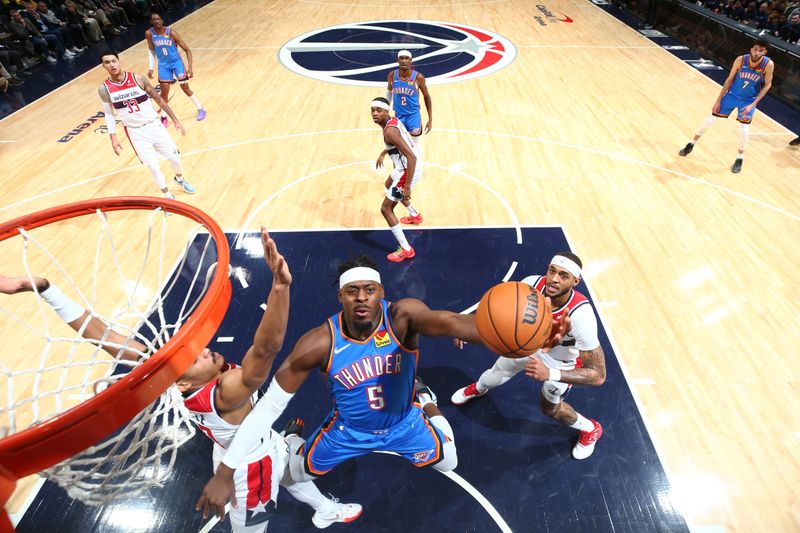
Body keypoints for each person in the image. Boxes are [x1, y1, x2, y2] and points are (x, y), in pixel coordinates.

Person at [0, 228, 361, 532]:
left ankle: (324, 510)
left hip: (261, 443)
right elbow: (265, 351)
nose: (201, 350)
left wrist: (47, 289)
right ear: (185, 383)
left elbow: (108, 337)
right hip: (247, 468)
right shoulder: (225, 391)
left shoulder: (188, 381)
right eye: (192, 359)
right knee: (254, 521)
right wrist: (280, 288)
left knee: (291, 472)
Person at [195, 255, 571, 518]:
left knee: (450, 461)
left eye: (370, 289)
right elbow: (269, 407)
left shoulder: (403, 316)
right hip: (348, 430)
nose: (362, 298)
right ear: (339, 296)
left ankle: (426, 401)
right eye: (352, 291)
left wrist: (532, 339)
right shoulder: (318, 344)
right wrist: (225, 473)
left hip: (404, 423)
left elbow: (461, 325)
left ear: (381, 291)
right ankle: (299, 450)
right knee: (293, 474)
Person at [450, 252, 607, 460]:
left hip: (560, 362)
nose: (554, 279)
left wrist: (549, 372)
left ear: (575, 281)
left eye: (563, 275)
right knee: (495, 374)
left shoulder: (581, 315)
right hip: (528, 345)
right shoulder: (531, 285)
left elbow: (598, 375)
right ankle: (479, 388)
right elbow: (499, 309)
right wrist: (470, 326)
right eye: (552, 271)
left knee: (550, 409)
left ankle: (591, 429)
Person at [97, 50, 197, 199]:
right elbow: (109, 114)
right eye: (107, 62)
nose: (111, 65)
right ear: (103, 66)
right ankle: (168, 196)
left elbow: (158, 98)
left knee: (174, 158)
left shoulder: (138, 78)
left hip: (154, 125)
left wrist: (175, 120)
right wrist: (113, 137)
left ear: (118, 61)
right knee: (153, 166)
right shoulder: (104, 89)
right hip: (135, 132)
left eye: (113, 61)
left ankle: (179, 179)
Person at [678, 38, 774, 173]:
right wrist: (718, 100)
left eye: (761, 50)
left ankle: (740, 158)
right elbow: (729, 80)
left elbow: (768, 84)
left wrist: (753, 104)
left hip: (748, 100)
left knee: (744, 128)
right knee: (710, 119)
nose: (757, 52)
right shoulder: (741, 60)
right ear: (751, 49)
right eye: (756, 49)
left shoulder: (768, 64)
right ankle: (691, 144)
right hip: (732, 95)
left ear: (765, 52)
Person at [371, 97, 422, 262]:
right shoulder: (392, 122)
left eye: (379, 110)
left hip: (407, 169)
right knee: (388, 184)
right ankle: (414, 215)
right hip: (404, 168)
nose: (375, 113)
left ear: (386, 111)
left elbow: (411, 157)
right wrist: (384, 152)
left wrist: (407, 187)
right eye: (372, 110)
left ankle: (406, 249)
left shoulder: (389, 131)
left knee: (386, 209)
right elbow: (399, 143)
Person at [146, 12, 206, 125]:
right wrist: (151, 67)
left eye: (158, 19)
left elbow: (187, 50)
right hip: (163, 65)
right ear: (151, 22)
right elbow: (151, 50)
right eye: (154, 19)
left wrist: (190, 67)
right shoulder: (149, 33)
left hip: (176, 63)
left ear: (162, 20)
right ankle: (164, 117)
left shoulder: (171, 32)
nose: (156, 21)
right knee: (164, 92)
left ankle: (200, 108)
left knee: (185, 87)